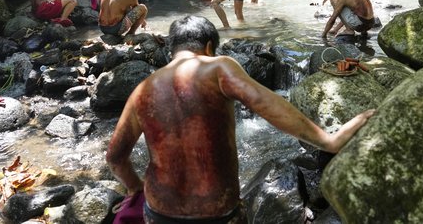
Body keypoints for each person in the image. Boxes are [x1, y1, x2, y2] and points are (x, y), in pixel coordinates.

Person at [106, 15, 375, 222]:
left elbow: (115, 158)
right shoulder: (217, 67)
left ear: (172, 50)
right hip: (217, 214)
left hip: (157, 214)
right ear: (209, 46)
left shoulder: (141, 91)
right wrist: (328, 141)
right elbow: (267, 104)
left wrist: (134, 187)